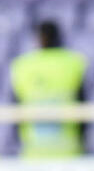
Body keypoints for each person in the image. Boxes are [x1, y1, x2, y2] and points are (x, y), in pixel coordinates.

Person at [10, 20, 87, 157]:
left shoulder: (23, 65)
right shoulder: (73, 62)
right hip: (68, 150)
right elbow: (83, 103)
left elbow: (16, 106)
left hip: (33, 150)